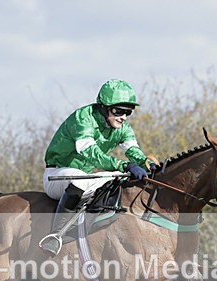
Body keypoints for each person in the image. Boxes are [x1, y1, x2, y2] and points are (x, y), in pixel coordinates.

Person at [39, 79, 153, 256]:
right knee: (84, 181)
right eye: (118, 111)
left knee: (121, 179)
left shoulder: (123, 128)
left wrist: (146, 163)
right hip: (57, 175)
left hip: (86, 175)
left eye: (128, 112)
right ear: (103, 106)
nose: (123, 117)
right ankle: (55, 235)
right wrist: (122, 164)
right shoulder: (83, 118)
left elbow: (132, 150)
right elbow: (91, 152)